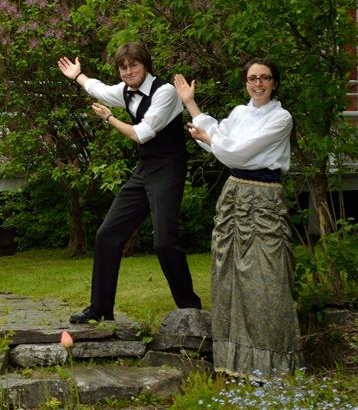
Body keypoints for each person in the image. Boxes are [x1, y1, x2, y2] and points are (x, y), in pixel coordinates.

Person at [174, 59, 302, 378]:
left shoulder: (281, 118)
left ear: (275, 82)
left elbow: (237, 152)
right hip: (234, 195)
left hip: (263, 197)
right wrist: (190, 102)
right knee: (229, 276)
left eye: (265, 78)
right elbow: (218, 134)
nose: (258, 84)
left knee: (267, 279)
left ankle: (274, 367)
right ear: (246, 83)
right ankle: (236, 365)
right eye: (252, 78)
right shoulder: (241, 113)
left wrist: (211, 141)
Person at [58, 42, 202, 324]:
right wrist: (78, 75)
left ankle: (190, 309)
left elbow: (142, 134)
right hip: (144, 169)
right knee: (107, 235)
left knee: (163, 242)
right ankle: (100, 309)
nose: (127, 72)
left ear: (145, 65)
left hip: (168, 169)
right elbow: (98, 88)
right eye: (123, 68)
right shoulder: (125, 91)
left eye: (133, 65)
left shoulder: (165, 92)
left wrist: (109, 118)